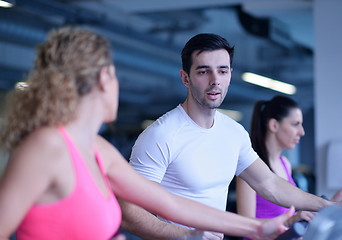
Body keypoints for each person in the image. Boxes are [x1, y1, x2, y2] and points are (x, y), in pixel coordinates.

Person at [0, 26, 298, 240]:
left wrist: (256, 228)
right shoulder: (47, 147)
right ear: (105, 79)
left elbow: (170, 204)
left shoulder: (98, 150)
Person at [119, 33, 342, 240]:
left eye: (222, 70)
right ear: (185, 78)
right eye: (203, 71)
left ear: (230, 74)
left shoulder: (233, 132)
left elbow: (268, 183)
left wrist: (328, 206)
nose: (215, 80)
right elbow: (129, 213)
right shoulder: (161, 135)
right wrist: (187, 236)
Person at [236, 95, 342, 239]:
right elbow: (246, 226)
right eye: (295, 124)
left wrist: (331, 204)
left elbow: (288, 215)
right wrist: (291, 221)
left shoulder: (284, 164)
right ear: (274, 125)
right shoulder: (249, 170)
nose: (302, 132)